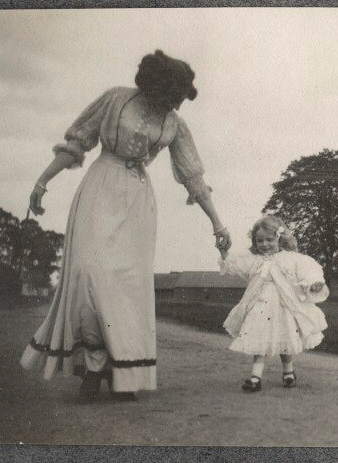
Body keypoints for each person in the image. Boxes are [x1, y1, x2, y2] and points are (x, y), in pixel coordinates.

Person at [19, 50, 231, 401]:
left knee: (127, 287)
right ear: (156, 86)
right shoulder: (116, 100)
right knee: (89, 273)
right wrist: (42, 182)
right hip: (101, 186)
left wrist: (218, 225)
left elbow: (193, 177)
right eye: (173, 95)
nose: (176, 104)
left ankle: (119, 372)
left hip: (137, 200)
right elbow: (77, 143)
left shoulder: (174, 123)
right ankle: (91, 363)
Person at [218, 215, 329, 392]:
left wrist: (314, 282)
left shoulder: (291, 258)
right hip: (260, 306)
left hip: (284, 306)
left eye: (269, 239)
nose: (264, 244)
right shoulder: (254, 260)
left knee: (285, 340)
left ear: (279, 237)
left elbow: (310, 270)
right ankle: (255, 377)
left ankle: (288, 372)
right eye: (260, 240)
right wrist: (224, 252)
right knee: (258, 339)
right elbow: (233, 266)